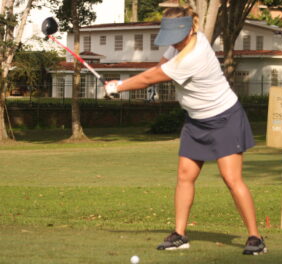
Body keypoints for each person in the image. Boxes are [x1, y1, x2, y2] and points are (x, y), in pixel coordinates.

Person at [105, 6, 266, 255]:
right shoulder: (180, 44)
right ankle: (180, 234)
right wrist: (122, 84)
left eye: (176, 37)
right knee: (184, 175)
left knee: (231, 179)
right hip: (196, 120)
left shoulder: (195, 54)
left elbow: (152, 78)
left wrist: (120, 86)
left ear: (191, 29)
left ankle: (256, 238)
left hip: (225, 118)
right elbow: (157, 68)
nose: (173, 43)